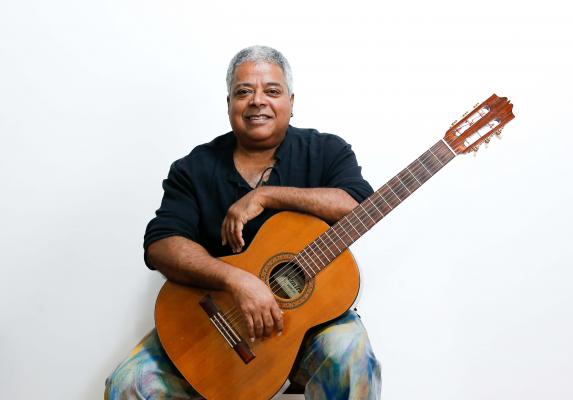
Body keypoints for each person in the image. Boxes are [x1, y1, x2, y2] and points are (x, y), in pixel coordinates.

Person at [105, 45, 381, 399]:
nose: (257, 101)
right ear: (229, 104)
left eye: (272, 91)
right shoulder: (193, 168)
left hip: (314, 324)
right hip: (216, 324)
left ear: (291, 101)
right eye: (244, 92)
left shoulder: (327, 150)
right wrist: (237, 280)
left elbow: (360, 206)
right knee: (129, 384)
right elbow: (161, 244)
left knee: (350, 355)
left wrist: (267, 196)